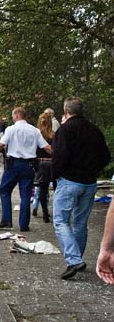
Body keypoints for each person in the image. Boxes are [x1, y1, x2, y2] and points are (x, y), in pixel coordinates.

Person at [50, 98, 111, 280]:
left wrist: (56, 175)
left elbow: (59, 156)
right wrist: (93, 169)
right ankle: (77, 259)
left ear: (66, 111)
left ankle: (74, 259)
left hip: (69, 180)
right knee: (80, 223)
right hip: (89, 182)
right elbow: (106, 156)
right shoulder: (94, 130)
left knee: (60, 220)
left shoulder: (65, 130)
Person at [0, 107, 51, 232]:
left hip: (13, 164)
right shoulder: (35, 130)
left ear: (16, 116)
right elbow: (46, 147)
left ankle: (6, 220)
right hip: (29, 165)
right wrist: (60, 156)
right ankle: (24, 225)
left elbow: (1, 145)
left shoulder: (11, 129)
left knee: (4, 189)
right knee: (25, 195)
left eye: (13, 116)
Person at [32, 113, 55, 222]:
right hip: (52, 163)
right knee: (56, 189)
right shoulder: (54, 135)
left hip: (41, 163)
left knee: (42, 189)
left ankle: (45, 213)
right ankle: (57, 211)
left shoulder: (36, 135)